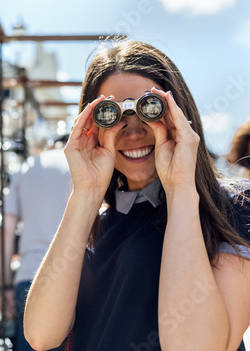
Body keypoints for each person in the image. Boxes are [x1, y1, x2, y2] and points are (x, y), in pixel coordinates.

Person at [23, 40, 250, 351]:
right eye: (111, 115)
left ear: (179, 115)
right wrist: (86, 193)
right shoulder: (97, 221)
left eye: (150, 109)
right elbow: (40, 334)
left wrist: (180, 187)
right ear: (91, 126)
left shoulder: (233, 208)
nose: (132, 131)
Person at [0, 134, 72, 351]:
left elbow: (6, 231)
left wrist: (5, 285)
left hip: (29, 278)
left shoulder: (28, 167)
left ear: (51, 145)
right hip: (72, 279)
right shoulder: (81, 164)